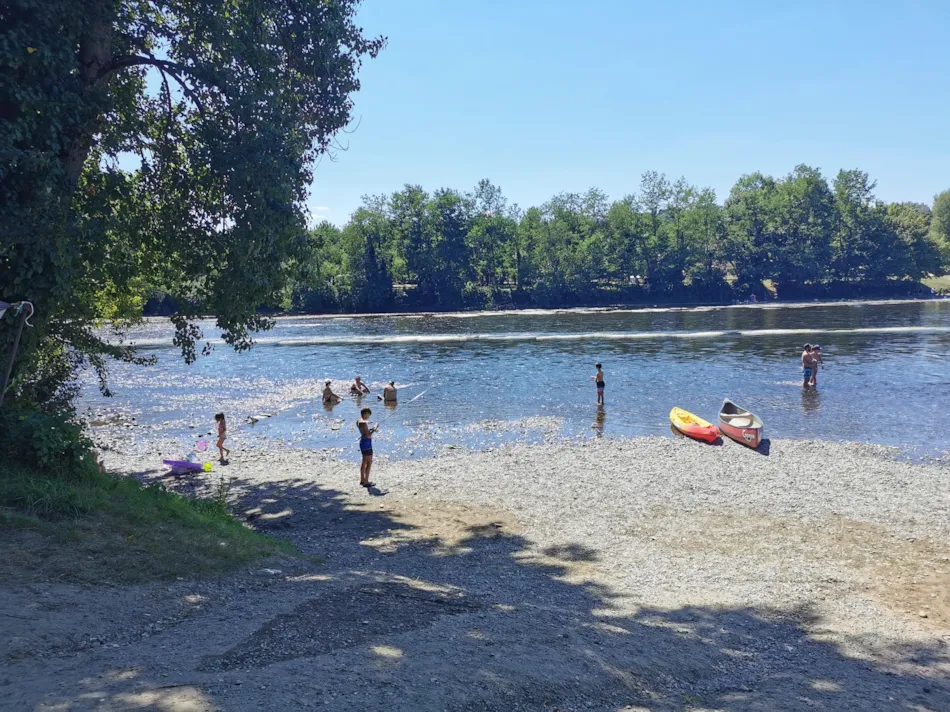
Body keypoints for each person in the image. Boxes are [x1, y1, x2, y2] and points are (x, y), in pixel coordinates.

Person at [356, 407, 378, 488]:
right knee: (369, 463)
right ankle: (366, 482)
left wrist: (371, 429)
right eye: (368, 415)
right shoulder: (363, 422)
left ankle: (362, 480)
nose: (368, 417)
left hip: (363, 442)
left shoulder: (359, 420)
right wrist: (374, 429)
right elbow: (367, 435)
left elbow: (365, 432)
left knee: (364, 462)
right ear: (365, 413)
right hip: (366, 443)